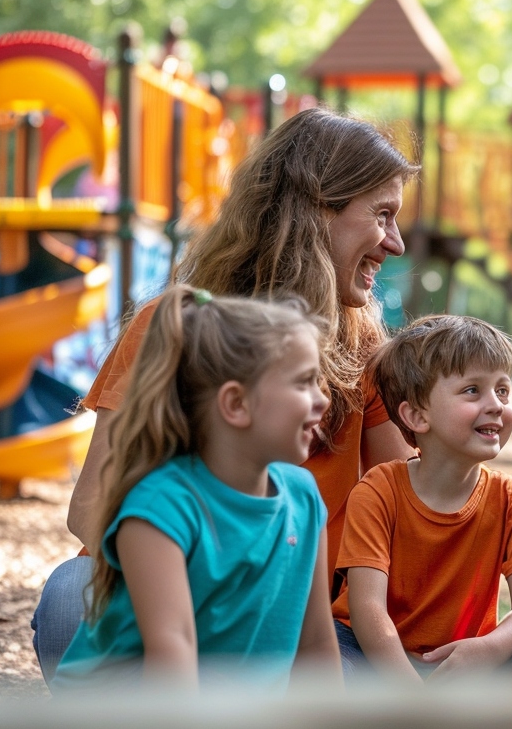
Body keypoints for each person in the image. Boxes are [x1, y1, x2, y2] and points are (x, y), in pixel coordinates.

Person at [32, 109, 417, 682]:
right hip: (172, 587)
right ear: (315, 210)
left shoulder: (364, 345)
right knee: (70, 598)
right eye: (382, 214)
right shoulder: (180, 323)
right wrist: (220, 585)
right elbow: (92, 506)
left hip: (294, 608)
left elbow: (407, 508)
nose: (398, 242)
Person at [51, 287, 340, 690]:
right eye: (304, 383)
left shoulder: (303, 496)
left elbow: (316, 645)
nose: (322, 401)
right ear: (236, 404)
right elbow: (174, 664)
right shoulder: (160, 509)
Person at [330, 315, 512, 680]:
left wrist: (491, 646)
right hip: (371, 654)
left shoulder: (511, 499)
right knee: (324, 660)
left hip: (467, 658)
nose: (495, 405)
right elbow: (367, 610)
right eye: (472, 390)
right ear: (416, 415)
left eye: (502, 390)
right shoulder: (378, 491)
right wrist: (412, 695)